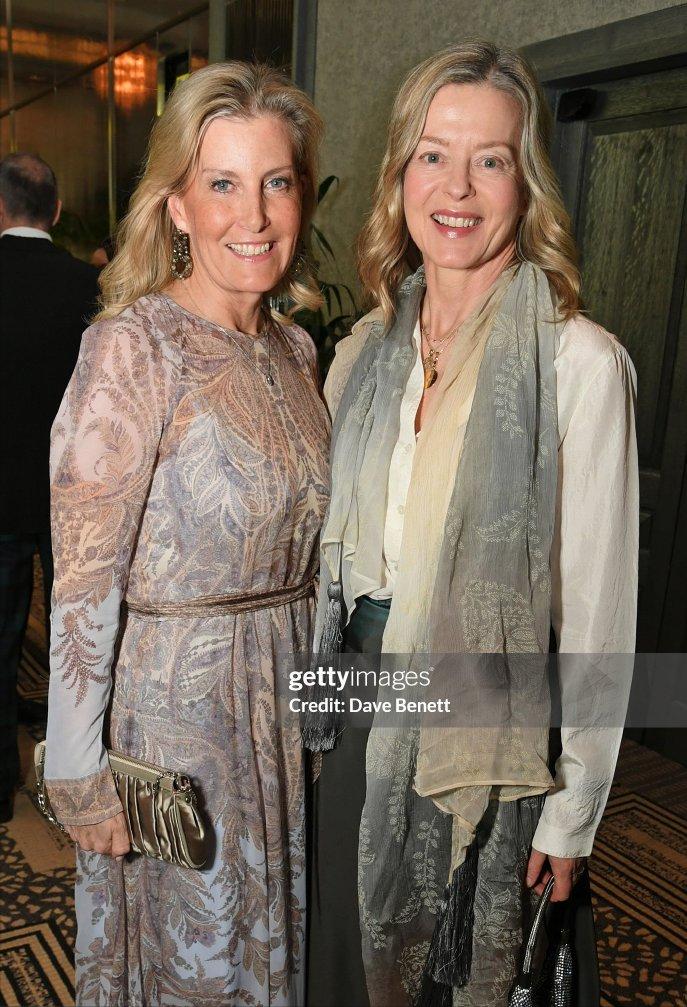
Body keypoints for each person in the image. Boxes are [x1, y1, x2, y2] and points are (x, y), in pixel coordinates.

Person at [306, 41, 637, 1007]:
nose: (456, 188)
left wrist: (572, 810)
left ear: (525, 185)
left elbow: (598, 613)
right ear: (399, 174)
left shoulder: (578, 364)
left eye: (489, 159)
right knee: (340, 968)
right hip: (349, 715)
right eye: (432, 155)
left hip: (488, 744)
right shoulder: (360, 351)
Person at [43, 62, 329, 1005]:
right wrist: (78, 770)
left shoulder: (296, 348)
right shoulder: (133, 346)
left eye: (275, 182)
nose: (253, 215)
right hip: (178, 722)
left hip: (282, 706)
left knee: (270, 944)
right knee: (192, 961)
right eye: (222, 184)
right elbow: (85, 577)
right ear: (177, 205)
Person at [0, 153, 99, 823]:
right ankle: (74, 777)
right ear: (57, 211)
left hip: (0, 499)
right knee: (78, 643)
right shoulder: (91, 287)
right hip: (76, 497)